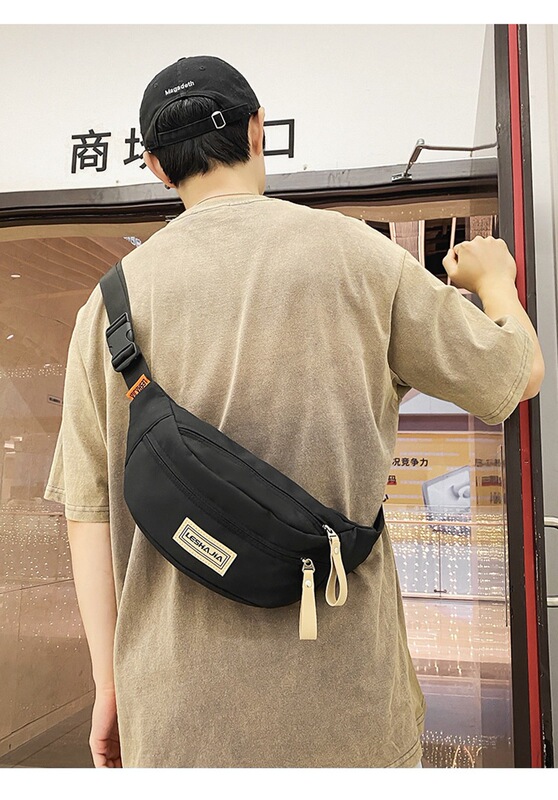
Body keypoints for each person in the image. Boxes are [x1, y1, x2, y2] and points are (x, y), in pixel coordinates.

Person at [43, 55, 544, 769]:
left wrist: (109, 686)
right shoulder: (359, 258)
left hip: (176, 719)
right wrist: (496, 281)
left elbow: (88, 515)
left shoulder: (106, 308)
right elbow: (516, 374)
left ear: (155, 166)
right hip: (348, 709)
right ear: (257, 130)